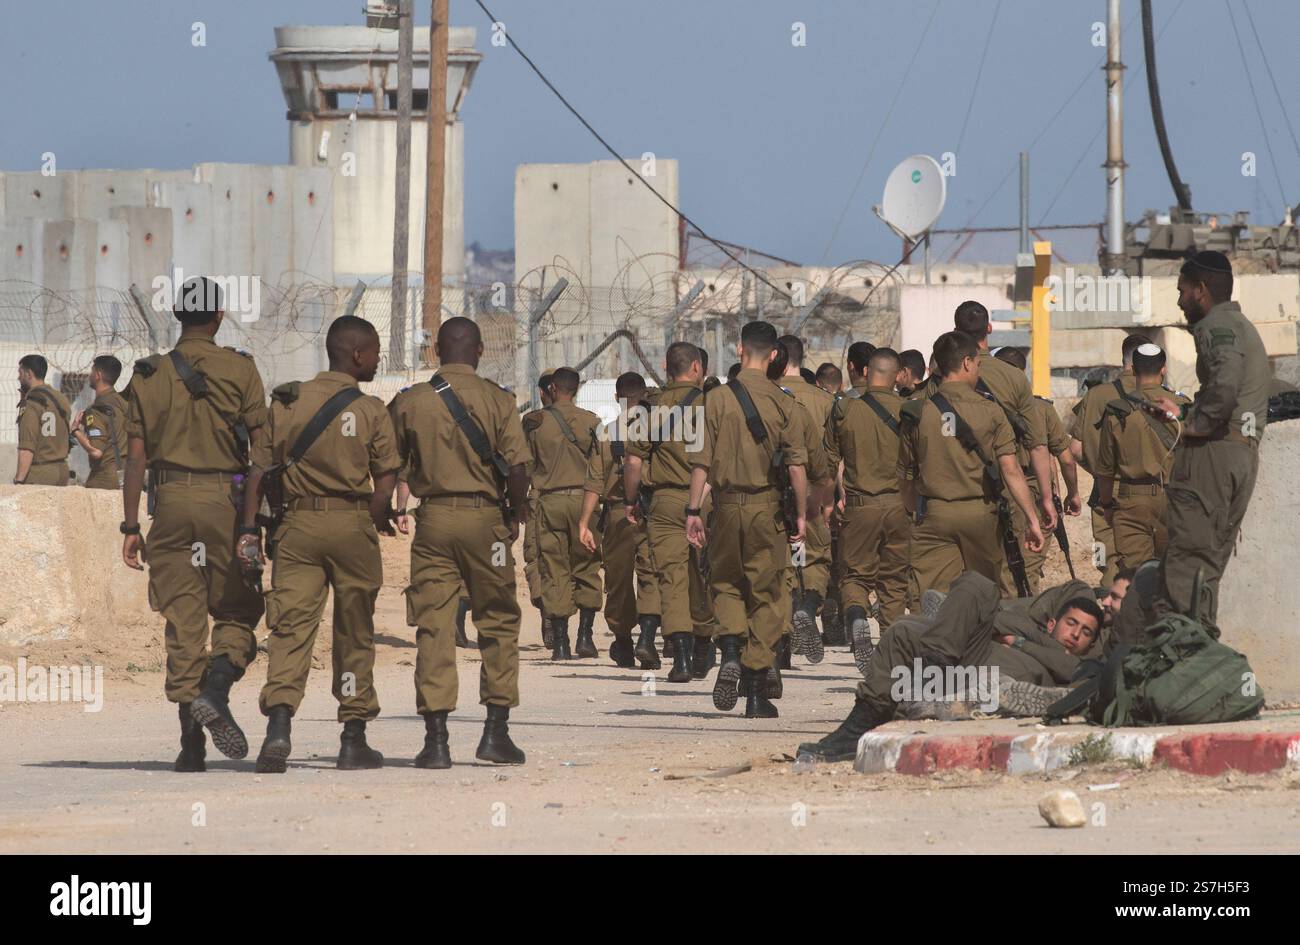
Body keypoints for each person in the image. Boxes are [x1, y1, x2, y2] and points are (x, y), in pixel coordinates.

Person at [238, 315, 399, 772]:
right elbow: (386, 473)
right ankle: (352, 738)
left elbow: (257, 471)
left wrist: (250, 531)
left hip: (297, 527)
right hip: (351, 524)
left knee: (290, 629)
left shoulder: (287, 400)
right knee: (354, 634)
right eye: (374, 352)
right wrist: (376, 513)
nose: (377, 360)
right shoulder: (371, 410)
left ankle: (279, 727)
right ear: (356, 355)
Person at [120, 276, 267, 770]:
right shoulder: (240, 369)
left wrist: (130, 527)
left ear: (177, 316)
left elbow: (135, 460)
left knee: (183, 620)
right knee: (238, 607)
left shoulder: (147, 375)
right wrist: (253, 523)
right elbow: (261, 453)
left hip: (170, 502)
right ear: (220, 316)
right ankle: (217, 689)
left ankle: (190, 745)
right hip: (224, 499)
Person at [389, 317, 531, 767]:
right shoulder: (498, 399)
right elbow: (518, 467)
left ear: (436, 352)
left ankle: (436, 742)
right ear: (480, 351)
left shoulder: (411, 402)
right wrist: (513, 511)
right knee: (498, 620)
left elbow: (391, 462)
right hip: (485, 521)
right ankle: (495, 733)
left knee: (434, 624)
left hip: (433, 523)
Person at [798, 571, 1102, 761]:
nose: (1076, 634)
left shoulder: (1081, 661)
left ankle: (929, 671)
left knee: (968, 601)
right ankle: (860, 725)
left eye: (1086, 632)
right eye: (1071, 624)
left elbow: (1073, 669)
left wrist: (1020, 641)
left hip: (995, 678)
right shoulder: (1031, 621)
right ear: (1052, 622)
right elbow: (1005, 614)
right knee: (905, 627)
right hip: (967, 660)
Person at [686, 321, 807, 718]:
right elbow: (796, 468)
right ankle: (756, 690)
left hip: (723, 507)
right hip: (766, 508)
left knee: (724, 584)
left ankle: (731, 653)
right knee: (768, 594)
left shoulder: (715, 399)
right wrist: (801, 516)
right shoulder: (785, 401)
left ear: (739, 349)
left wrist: (692, 511)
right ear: (774, 355)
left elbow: (701, 461)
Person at [1149, 252, 1268, 633]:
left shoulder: (1216, 325)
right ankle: (1199, 660)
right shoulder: (1239, 324)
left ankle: (1180, 665)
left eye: (1182, 290)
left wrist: (1196, 425)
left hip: (1214, 456)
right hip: (1238, 453)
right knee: (1204, 569)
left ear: (1201, 290)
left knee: (1186, 564)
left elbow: (1226, 379)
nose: (1179, 300)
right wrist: (1184, 416)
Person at [899, 331, 1044, 597]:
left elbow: (907, 475)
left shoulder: (917, 412)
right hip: (981, 514)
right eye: (977, 363)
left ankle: (940, 625)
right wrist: (1032, 519)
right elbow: (1011, 471)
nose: (977, 369)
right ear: (966, 363)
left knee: (932, 591)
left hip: (934, 513)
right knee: (984, 591)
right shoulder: (991, 411)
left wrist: (916, 511)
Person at [623, 343, 719, 681]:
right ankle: (704, 648)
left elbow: (633, 461)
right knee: (704, 576)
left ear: (666, 367)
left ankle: (679, 658)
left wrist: (631, 499)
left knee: (672, 579)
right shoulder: (714, 405)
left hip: (664, 501)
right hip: (706, 499)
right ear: (697, 366)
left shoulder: (648, 408)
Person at [953, 301, 1058, 595]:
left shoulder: (943, 380)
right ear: (989, 329)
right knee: (1012, 572)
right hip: (1010, 485)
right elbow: (1037, 445)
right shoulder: (1013, 377)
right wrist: (1047, 499)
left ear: (955, 331)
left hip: (958, 490)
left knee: (964, 575)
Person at [824, 347, 910, 657]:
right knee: (894, 581)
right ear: (898, 375)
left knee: (854, 575)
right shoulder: (909, 411)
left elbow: (829, 461)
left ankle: (858, 617)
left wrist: (830, 502)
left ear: (866, 372)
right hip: (899, 506)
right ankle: (891, 646)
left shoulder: (844, 409)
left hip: (859, 505)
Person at [577, 372, 662, 669]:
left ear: (617, 398)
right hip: (653, 511)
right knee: (652, 574)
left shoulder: (606, 432)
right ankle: (648, 637)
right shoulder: (660, 430)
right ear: (644, 396)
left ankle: (624, 641)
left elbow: (594, 483)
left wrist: (584, 522)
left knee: (618, 580)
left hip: (617, 515)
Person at [523, 368, 603, 659]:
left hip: (550, 501)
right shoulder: (592, 422)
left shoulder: (534, 422)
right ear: (577, 388)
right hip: (586, 502)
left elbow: (526, 466)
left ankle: (560, 644)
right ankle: (586, 636)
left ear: (553, 388)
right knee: (588, 566)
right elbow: (600, 468)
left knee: (554, 568)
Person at [993, 346, 1082, 591]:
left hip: (993, 487)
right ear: (1023, 373)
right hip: (1032, 488)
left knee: (999, 563)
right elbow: (1066, 458)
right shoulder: (1041, 408)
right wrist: (1072, 493)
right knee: (1027, 565)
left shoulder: (985, 406)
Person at [1094, 343, 1190, 571]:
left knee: (1135, 576)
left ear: (1133, 370)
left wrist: (1107, 505)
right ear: (1163, 370)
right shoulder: (1183, 406)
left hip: (1132, 501)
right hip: (1176, 499)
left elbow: (1105, 469)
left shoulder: (1118, 409)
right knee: (1174, 572)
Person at [1069, 332, 1151, 583]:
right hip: (1148, 494)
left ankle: (1109, 612)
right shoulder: (1162, 397)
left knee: (1108, 563)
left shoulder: (1096, 395)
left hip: (1104, 494)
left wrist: (1097, 468)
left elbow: (1075, 449)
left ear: (1124, 360)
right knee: (1146, 564)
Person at [777, 334, 836, 664]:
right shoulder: (823, 400)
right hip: (813, 490)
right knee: (815, 557)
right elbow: (832, 458)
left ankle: (781, 644)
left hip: (772, 489)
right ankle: (807, 606)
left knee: (780, 564)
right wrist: (829, 499)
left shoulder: (768, 398)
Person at [522, 372, 553, 619]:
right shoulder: (588, 421)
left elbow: (521, 464)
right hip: (576, 498)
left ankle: (546, 612)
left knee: (535, 557)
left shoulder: (531, 422)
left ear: (543, 392)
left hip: (538, 496)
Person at [14, 354, 71, 486]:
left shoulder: (31, 402)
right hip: (62, 470)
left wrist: (19, 480)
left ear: (29, 374)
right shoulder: (61, 399)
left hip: (40, 473)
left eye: (20, 373)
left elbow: (27, 447)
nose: (18, 377)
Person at [73, 355, 128, 490]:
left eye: (92, 372)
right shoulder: (123, 403)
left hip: (105, 477)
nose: (90, 376)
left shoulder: (97, 410)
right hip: (128, 473)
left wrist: (75, 431)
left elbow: (96, 451)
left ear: (98, 375)